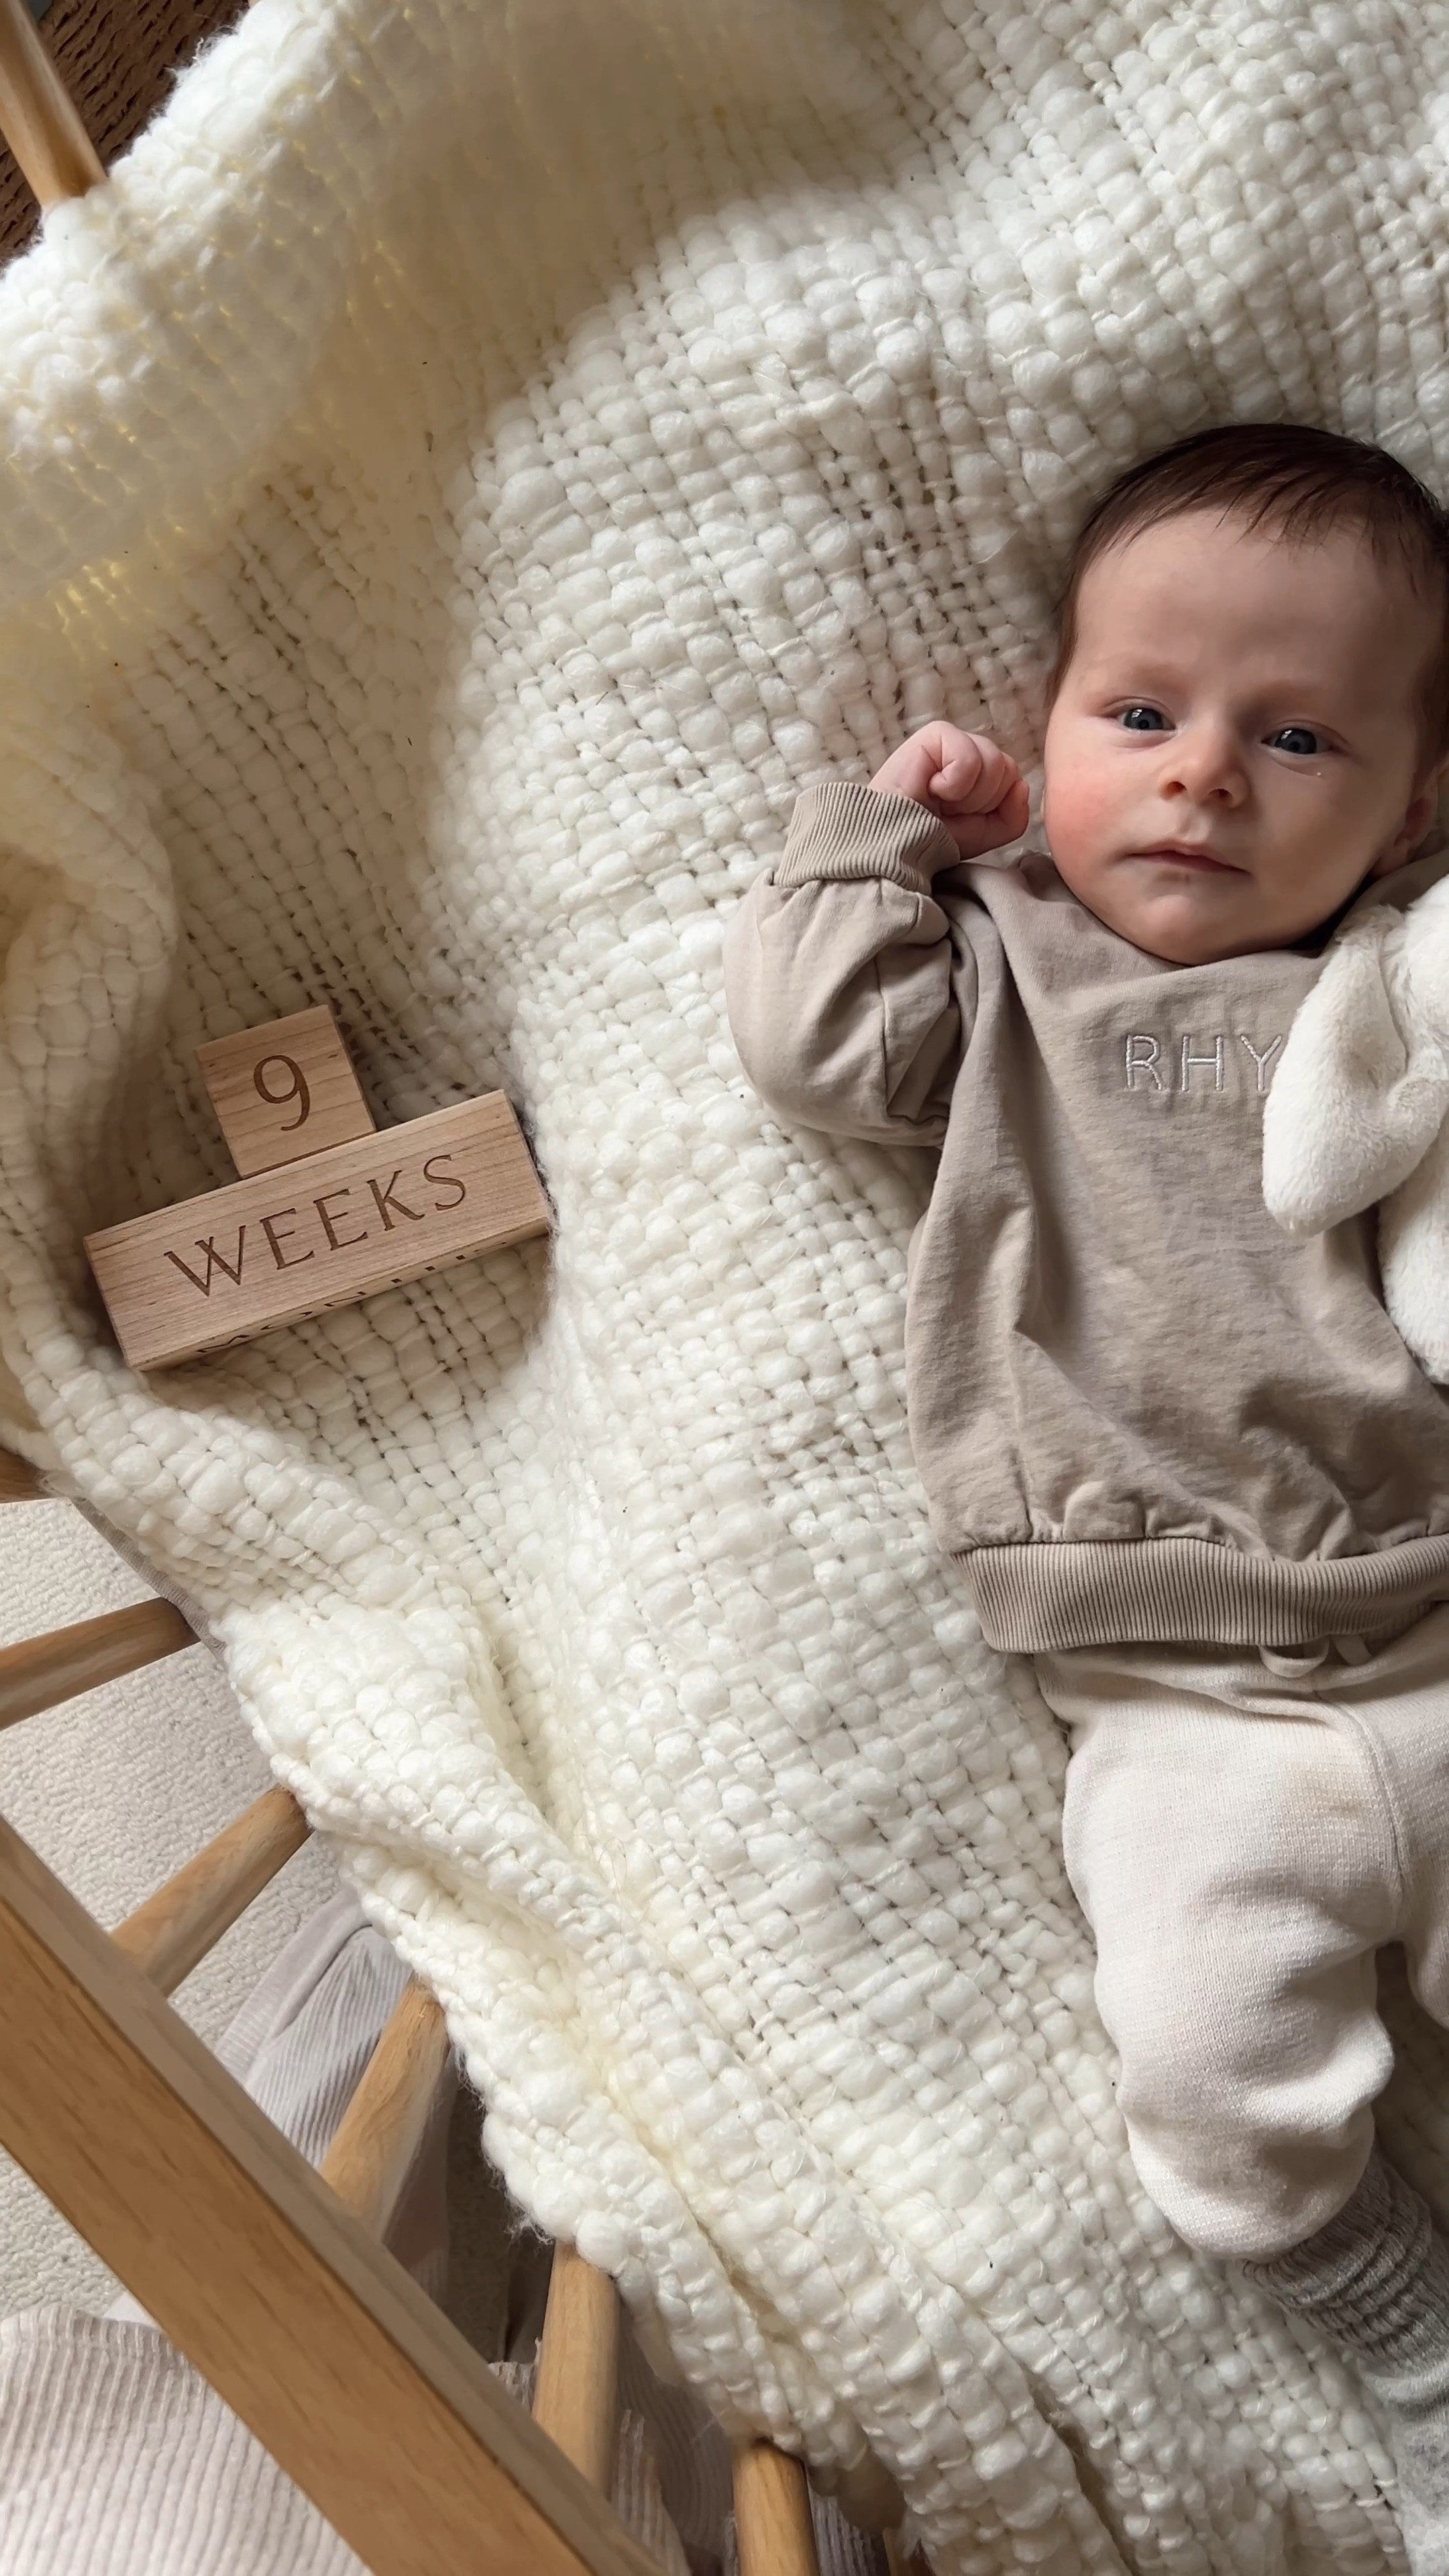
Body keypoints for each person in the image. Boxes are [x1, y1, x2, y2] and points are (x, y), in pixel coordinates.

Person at [723, 420, 1449, 2571]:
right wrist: (883, 838)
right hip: (1172, 1701)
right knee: (1214, 2075)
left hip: (1436, 1612)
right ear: (1048, 738)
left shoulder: (1395, 984)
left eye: (1294, 733)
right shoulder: (1017, 964)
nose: (1206, 773)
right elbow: (807, 1047)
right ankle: (1415, 2354)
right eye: (1141, 713)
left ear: (1413, 804)